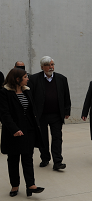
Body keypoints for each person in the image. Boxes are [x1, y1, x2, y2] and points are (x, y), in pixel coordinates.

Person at [0, 68, 44, 197]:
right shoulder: (4, 92)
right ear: (17, 79)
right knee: (13, 160)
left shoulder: (27, 91)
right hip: (12, 132)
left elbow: (31, 111)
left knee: (27, 158)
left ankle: (31, 185)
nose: (28, 79)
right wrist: (14, 129)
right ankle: (15, 185)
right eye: (25, 77)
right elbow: (4, 114)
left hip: (28, 131)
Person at [28, 56, 71, 171]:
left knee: (57, 137)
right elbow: (30, 97)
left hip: (56, 114)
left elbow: (66, 96)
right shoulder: (34, 79)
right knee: (43, 138)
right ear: (42, 67)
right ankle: (45, 158)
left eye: (52, 64)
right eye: (48, 65)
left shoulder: (62, 79)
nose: (51, 67)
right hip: (41, 115)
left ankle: (58, 161)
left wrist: (67, 111)